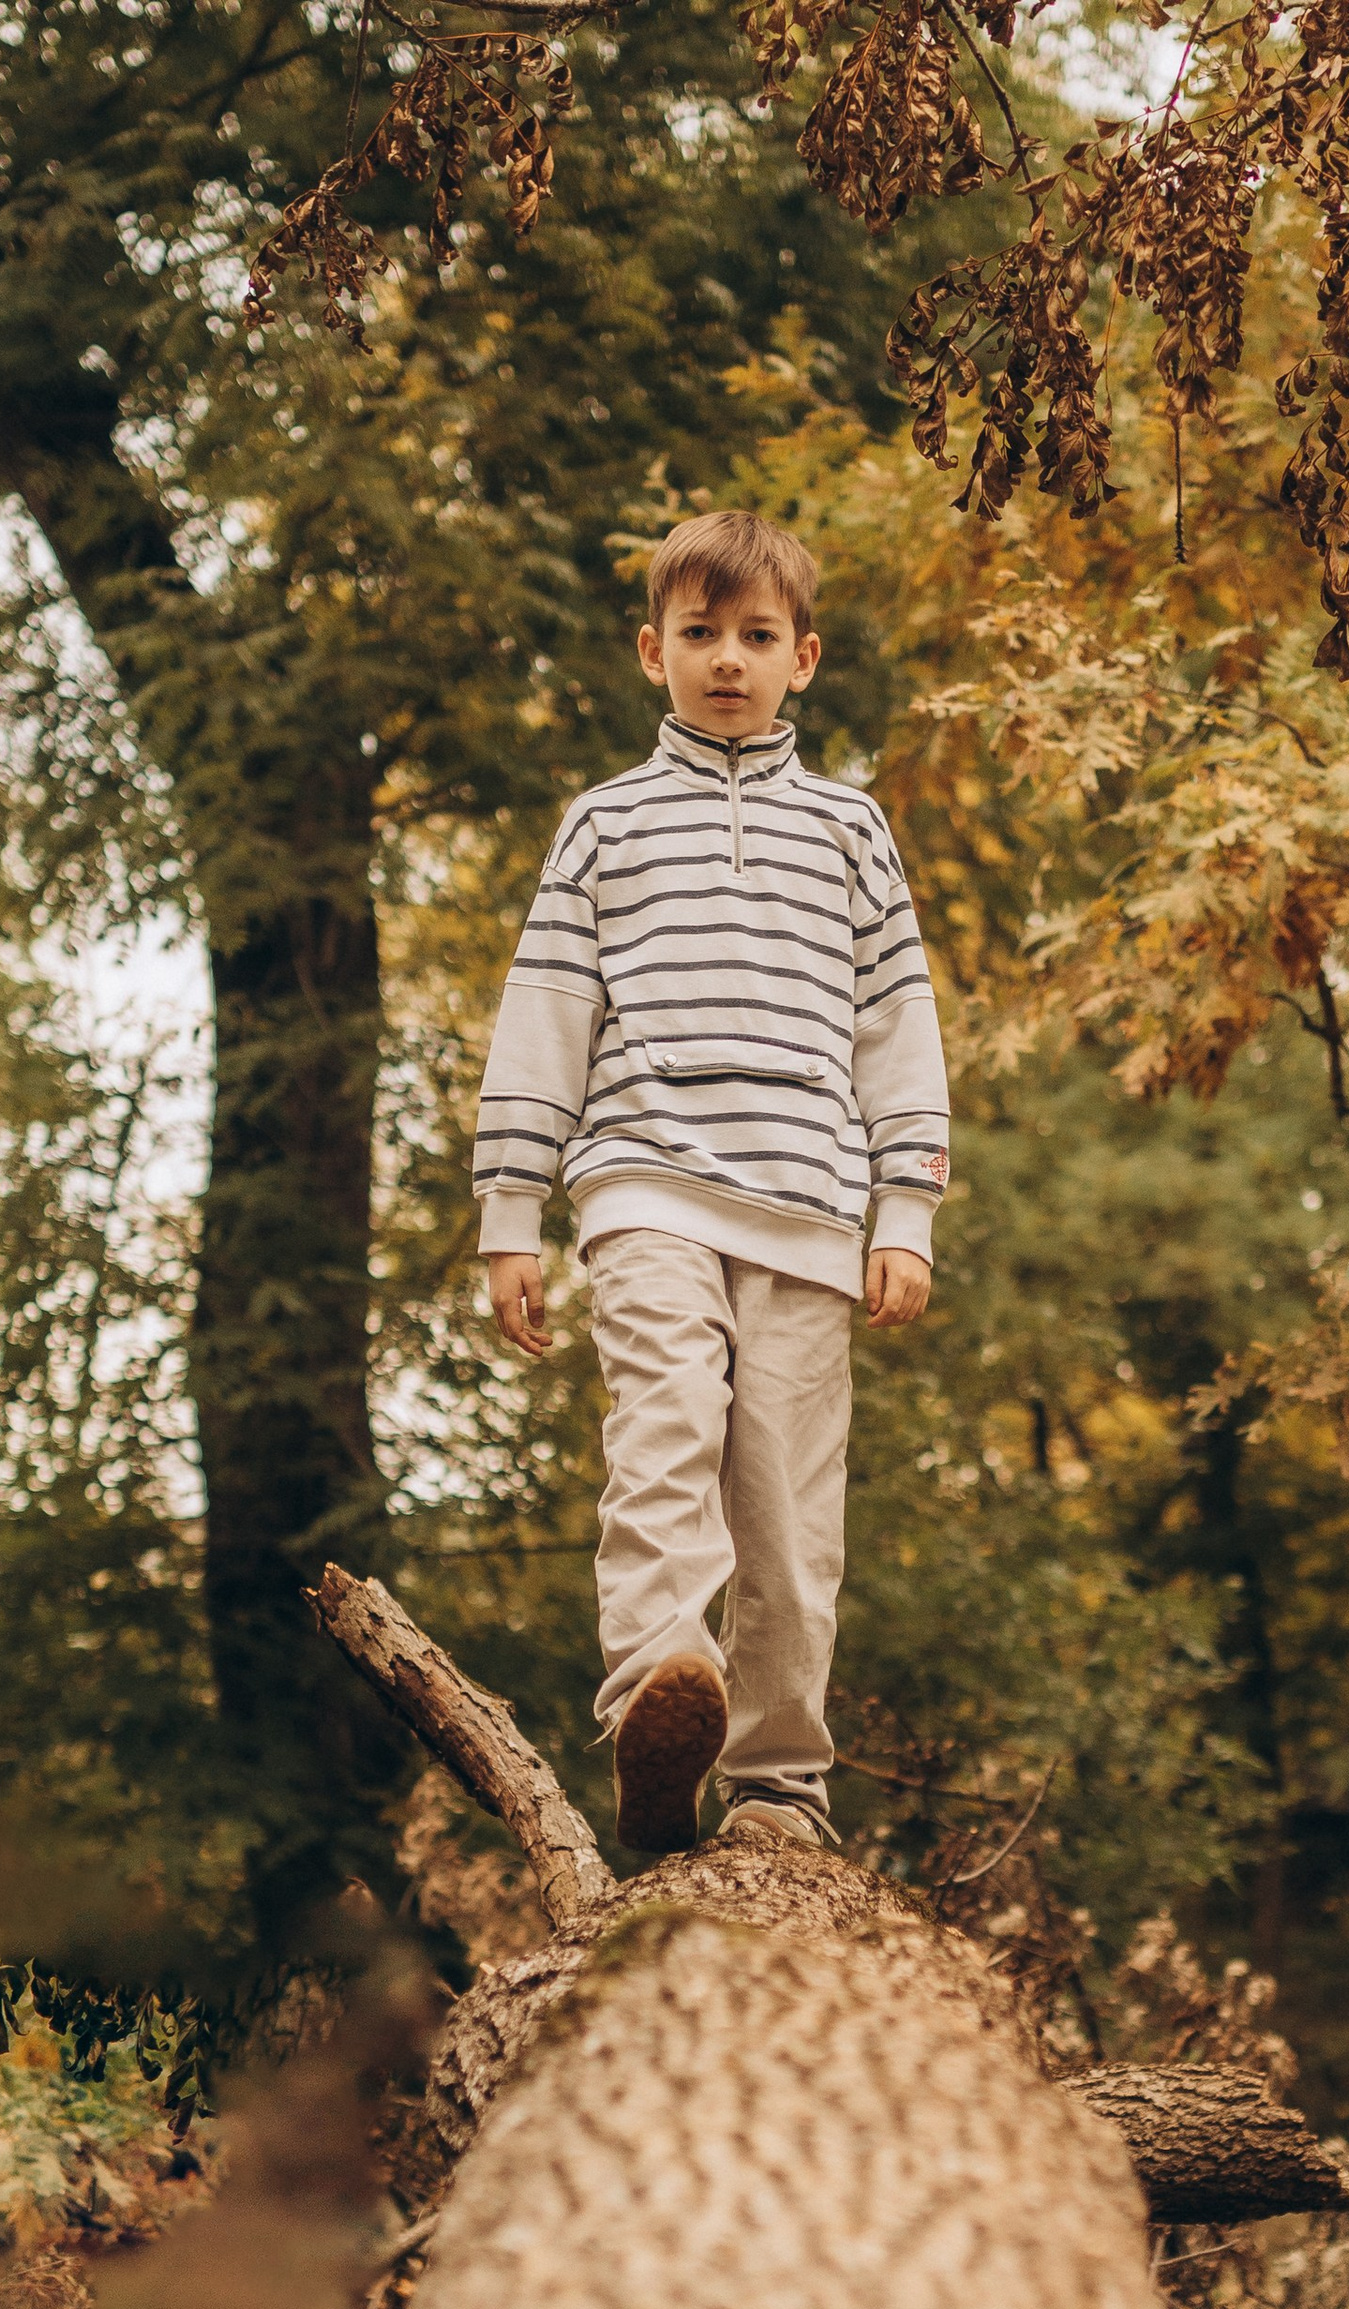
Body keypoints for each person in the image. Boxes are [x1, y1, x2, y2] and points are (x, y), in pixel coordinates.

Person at [471, 509, 949, 1853]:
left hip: (809, 1204)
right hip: (646, 1185)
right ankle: (655, 1708)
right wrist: (510, 1210)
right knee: (663, 1437)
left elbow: (896, 1029)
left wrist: (903, 1208)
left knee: (792, 1519)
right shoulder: (604, 828)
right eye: (699, 635)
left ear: (804, 657)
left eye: (754, 638)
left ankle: (781, 1791)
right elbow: (545, 1019)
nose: (725, 660)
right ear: (651, 652)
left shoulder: (851, 833)